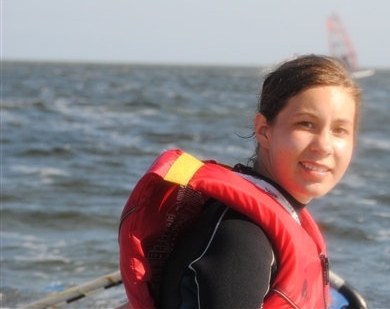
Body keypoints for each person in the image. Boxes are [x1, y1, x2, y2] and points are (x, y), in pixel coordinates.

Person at [118, 54, 362, 309]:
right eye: (306, 124)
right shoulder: (242, 238)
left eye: (340, 130)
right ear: (264, 131)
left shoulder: (276, 222)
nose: (324, 146)